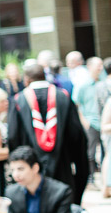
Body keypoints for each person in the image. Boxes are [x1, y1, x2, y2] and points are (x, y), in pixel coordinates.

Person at [7, 63, 88, 204]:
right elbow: (76, 134)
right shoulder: (62, 96)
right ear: (44, 76)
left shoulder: (19, 99)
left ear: (26, 79)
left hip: (31, 164)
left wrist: (18, 164)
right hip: (62, 160)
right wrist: (77, 161)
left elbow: (13, 135)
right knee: (63, 199)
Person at [0, 146, 73, 213]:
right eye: (12, 170)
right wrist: (0, 212)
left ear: (35, 168)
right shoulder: (11, 192)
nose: (15, 175)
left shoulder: (61, 192)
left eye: (20, 169)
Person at [74, 57, 105, 184]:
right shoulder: (82, 84)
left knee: (105, 152)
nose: (100, 68)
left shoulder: (103, 83)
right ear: (89, 66)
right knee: (91, 153)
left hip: (104, 122)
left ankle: (105, 178)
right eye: (98, 65)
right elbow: (77, 104)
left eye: (101, 65)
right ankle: (90, 178)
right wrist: (84, 121)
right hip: (90, 122)